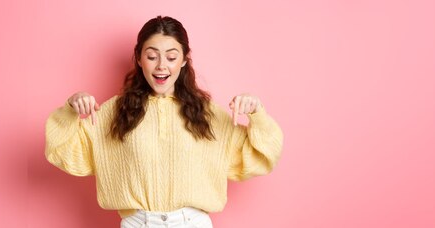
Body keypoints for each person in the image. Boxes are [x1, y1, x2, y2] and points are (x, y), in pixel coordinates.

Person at [45, 15, 284, 228]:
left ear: (183, 60)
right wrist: (71, 109)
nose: (161, 65)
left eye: (171, 57)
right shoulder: (113, 112)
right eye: (151, 56)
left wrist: (257, 113)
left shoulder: (208, 114)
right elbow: (61, 150)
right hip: (138, 223)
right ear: (139, 58)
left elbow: (261, 156)